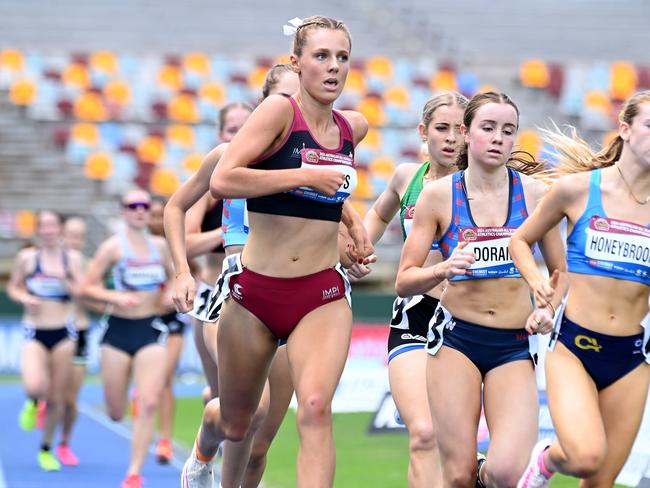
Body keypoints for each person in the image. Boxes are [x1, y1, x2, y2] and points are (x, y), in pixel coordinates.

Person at [175, 16, 372, 488]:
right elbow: (224, 180)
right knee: (238, 425)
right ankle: (205, 447)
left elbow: (330, 191)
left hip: (321, 293)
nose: (333, 67)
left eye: (342, 57)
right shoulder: (278, 113)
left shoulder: (353, 127)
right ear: (296, 62)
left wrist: (353, 227)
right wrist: (303, 175)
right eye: (321, 56)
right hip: (254, 294)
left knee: (317, 409)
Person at [395, 91, 567, 488]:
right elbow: (404, 279)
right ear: (466, 133)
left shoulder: (535, 195)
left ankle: (486, 475)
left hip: (513, 344)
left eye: (508, 131)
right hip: (457, 340)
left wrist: (547, 309)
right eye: (488, 128)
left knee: (506, 473)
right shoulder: (438, 196)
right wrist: (443, 268)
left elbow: (561, 271)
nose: (498, 138)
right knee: (456, 476)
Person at [512, 91, 650, 488]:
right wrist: (538, 283)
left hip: (631, 357)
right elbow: (520, 241)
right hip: (575, 347)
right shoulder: (577, 190)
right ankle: (546, 458)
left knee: (600, 482)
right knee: (586, 457)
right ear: (624, 129)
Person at [348, 91, 467, 488]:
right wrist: (359, 247)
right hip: (414, 313)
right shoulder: (406, 177)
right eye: (442, 128)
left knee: (462, 452)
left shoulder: (482, 186)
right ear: (423, 131)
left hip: (466, 318)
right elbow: (380, 213)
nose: (452, 138)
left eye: (461, 129)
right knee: (423, 434)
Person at [79, 188, 174, 488]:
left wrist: (172, 295)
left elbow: (178, 278)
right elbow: (86, 287)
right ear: (123, 211)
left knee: (148, 404)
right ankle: (128, 399)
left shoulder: (160, 246)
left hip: (151, 329)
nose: (139, 210)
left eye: (144, 205)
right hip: (117, 332)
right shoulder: (112, 247)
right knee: (116, 413)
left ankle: (134, 473)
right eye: (132, 205)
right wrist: (114, 297)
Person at [7, 210, 84, 471]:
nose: (49, 230)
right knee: (34, 386)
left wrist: (66, 280)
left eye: (53, 225)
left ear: (60, 229)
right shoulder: (27, 258)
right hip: (35, 330)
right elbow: (14, 286)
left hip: (63, 331)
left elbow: (81, 292)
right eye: (44, 225)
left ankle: (46, 449)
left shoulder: (71, 259)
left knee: (57, 398)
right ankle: (30, 403)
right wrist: (24, 298)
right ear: (38, 230)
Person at [147, 198, 189, 463]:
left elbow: (189, 272)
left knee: (164, 379)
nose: (153, 220)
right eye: (150, 215)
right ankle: (141, 397)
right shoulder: (131, 247)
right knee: (148, 381)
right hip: (142, 320)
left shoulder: (175, 244)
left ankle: (164, 440)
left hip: (171, 321)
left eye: (157, 215)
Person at [57, 215, 94, 466]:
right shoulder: (49, 264)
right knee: (51, 392)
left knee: (70, 399)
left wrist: (78, 288)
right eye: (71, 235)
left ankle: (65, 442)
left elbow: (94, 299)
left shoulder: (90, 266)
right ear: (62, 236)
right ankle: (39, 404)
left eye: (79, 236)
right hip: (53, 331)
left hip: (79, 331)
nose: (75, 241)